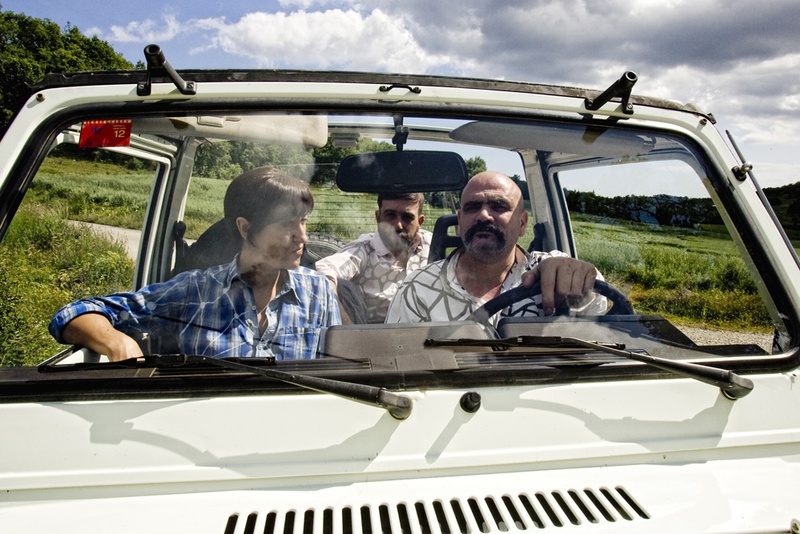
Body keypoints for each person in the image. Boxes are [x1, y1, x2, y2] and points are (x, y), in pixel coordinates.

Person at [49, 167, 341, 361]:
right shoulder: (196, 292)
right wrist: (117, 343)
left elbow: (339, 367)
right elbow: (74, 313)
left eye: (303, 221)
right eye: (287, 224)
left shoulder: (318, 291)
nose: (302, 236)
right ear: (244, 228)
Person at [385, 171, 605, 324]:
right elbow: (396, 361)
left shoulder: (551, 270)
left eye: (499, 206)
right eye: (472, 207)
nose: (483, 215)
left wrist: (581, 280)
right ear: (459, 223)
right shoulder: (418, 288)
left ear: (522, 223)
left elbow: (607, 315)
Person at [315, 192, 431, 323]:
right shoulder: (364, 249)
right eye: (390, 215)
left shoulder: (432, 245)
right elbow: (323, 272)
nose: (398, 225)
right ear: (378, 217)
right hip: (373, 337)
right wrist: (345, 324)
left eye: (407, 217)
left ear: (420, 221)